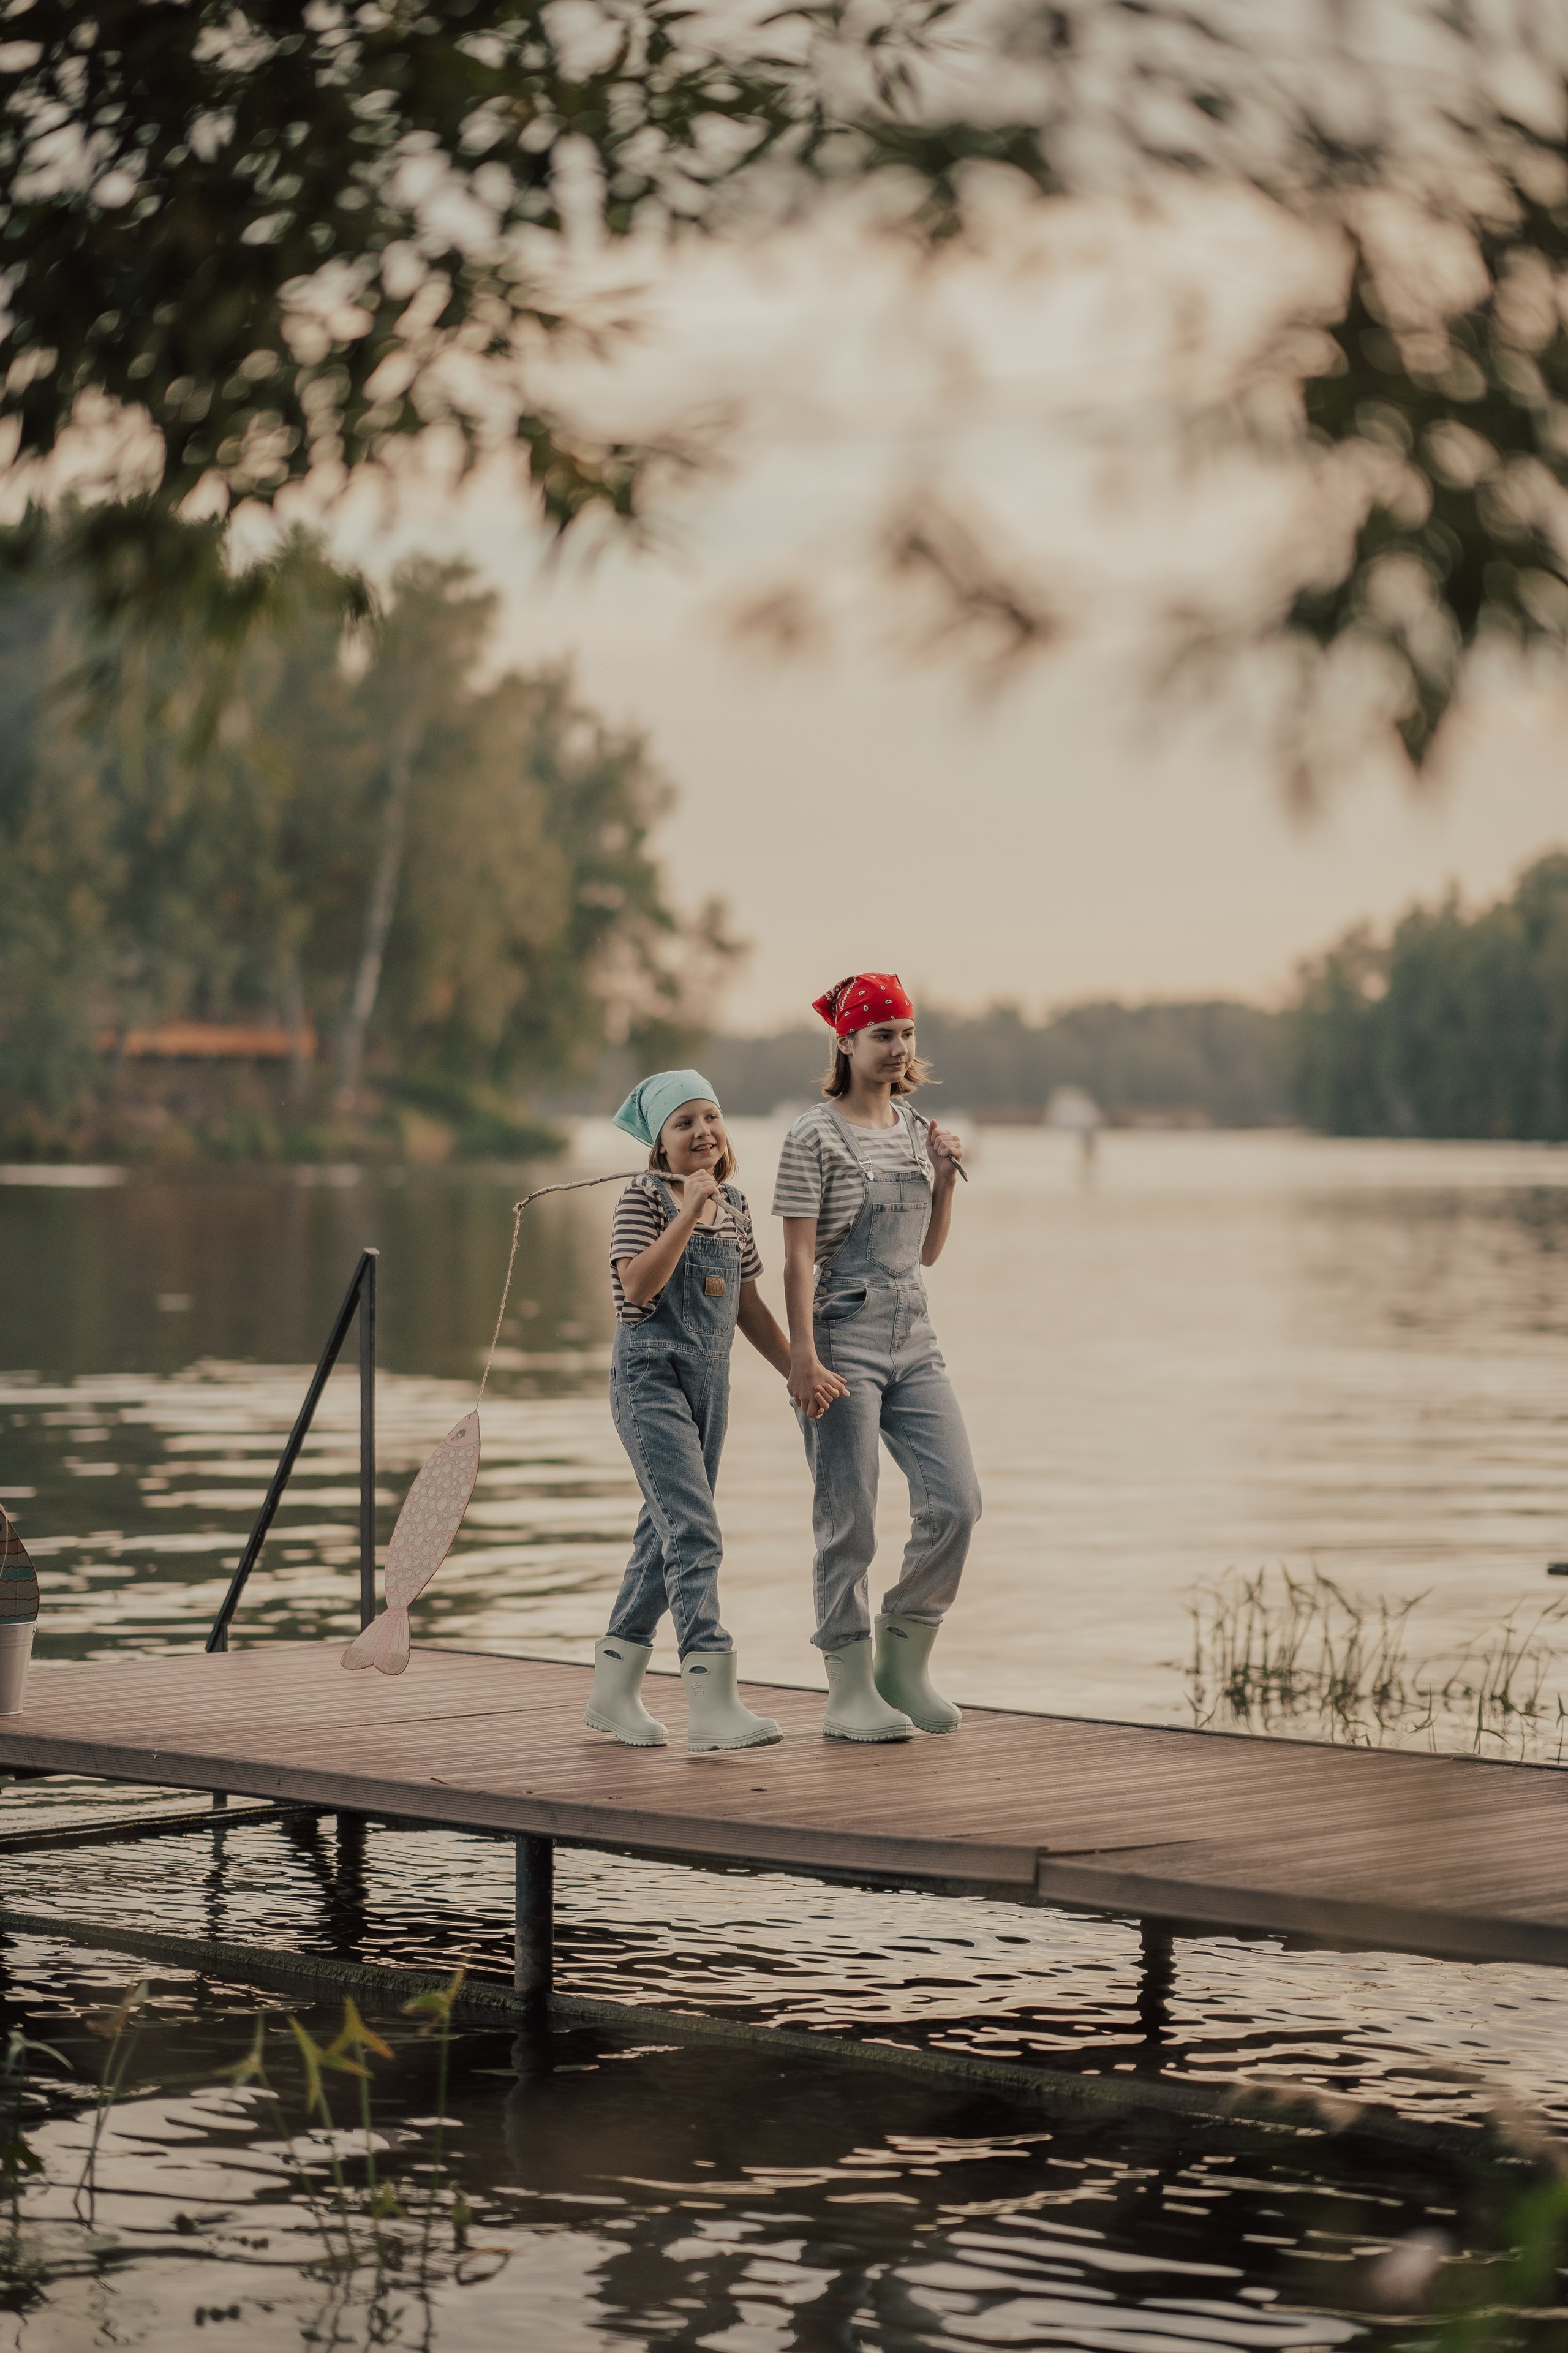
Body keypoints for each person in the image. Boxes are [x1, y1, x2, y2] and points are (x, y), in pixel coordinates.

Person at [583, 1068, 846, 1753]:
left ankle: (611, 1692)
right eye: (683, 1122)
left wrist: (798, 1366)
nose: (702, 1131)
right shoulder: (640, 1199)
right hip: (649, 1384)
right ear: (659, 1145)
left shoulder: (735, 1204)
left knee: (663, 1533)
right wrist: (685, 1215)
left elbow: (749, 1306)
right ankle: (711, 1700)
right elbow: (637, 1286)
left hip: (711, 1387)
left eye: (710, 1117)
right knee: (695, 1533)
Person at [774, 975, 981, 1741]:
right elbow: (797, 1260)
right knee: (848, 1517)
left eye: (906, 1034)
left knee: (956, 1501)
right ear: (846, 1043)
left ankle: (902, 1660)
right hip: (840, 1334)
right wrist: (802, 1358)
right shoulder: (812, 1135)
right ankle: (847, 1688)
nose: (898, 1050)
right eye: (882, 1035)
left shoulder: (914, 1127)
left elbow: (923, 1253)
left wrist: (944, 1180)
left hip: (915, 1335)